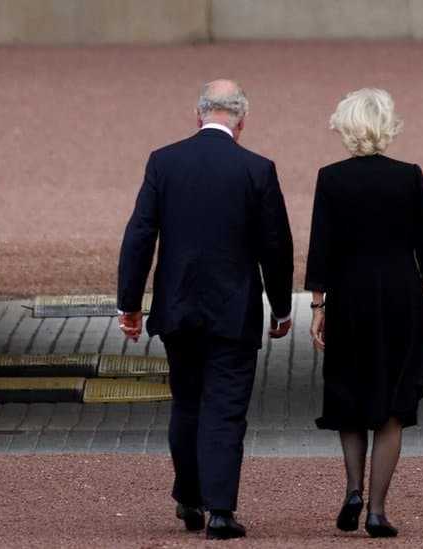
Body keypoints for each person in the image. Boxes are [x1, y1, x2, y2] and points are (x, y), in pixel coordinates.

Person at [116, 79, 294, 540]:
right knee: (225, 407)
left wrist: (129, 304)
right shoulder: (257, 169)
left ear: (198, 115)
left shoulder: (165, 162)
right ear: (242, 121)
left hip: (177, 306)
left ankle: (189, 498)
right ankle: (219, 510)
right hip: (233, 310)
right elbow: (275, 247)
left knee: (187, 403)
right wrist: (281, 307)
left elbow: (140, 235)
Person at [305, 88, 423, 538]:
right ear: (388, 127)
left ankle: (351, 489)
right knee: (393, 404)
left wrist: (317, 305)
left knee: (350, 392)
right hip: (402, 293)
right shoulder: (409, 176)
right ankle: (377, 509)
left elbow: (321, 247)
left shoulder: (331, 178)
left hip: (350, 295)